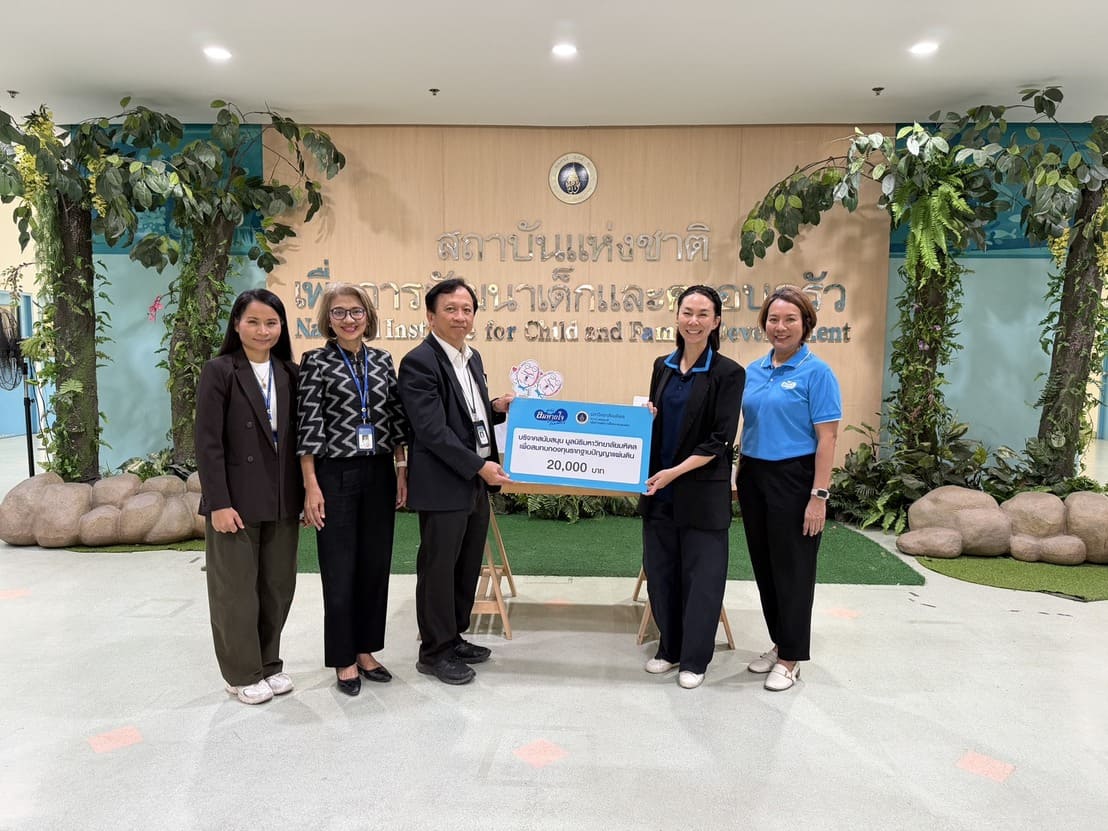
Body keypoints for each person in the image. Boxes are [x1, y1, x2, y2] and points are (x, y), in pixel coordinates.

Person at [397, 278, 513, 685]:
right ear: (431, 316)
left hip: (473, 480)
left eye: (467, 309)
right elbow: (432, 430)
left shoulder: (472, 357)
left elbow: (468, 414)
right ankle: (433, 652)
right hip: (444, 481)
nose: (460, 316)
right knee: (438, 568)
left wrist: (496, 407)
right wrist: (478, 466)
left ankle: (454, 637)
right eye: (450, 309)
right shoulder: (419, 362)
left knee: (465, 565)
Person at [297, 283, 409, 696]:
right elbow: (308, 425)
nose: (349, 319)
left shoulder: (382, 360)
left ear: (368, 316)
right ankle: (343, 658)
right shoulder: (315, 362)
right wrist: (311, 485)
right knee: (339, 568)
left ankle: (366, 650)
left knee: (374, 566)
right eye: (340, 312)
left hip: (379, 471)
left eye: (356, 312)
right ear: (328, 319)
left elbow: (395, 419)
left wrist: (401, 469)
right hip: (334, 474)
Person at [196, 288, 302, 705]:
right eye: (253, 321)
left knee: (277, 587)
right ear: (237, 324)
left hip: (282, 499)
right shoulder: (220, 371)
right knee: (235, 591)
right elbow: (208, 443)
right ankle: (241, 673)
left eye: (271, 322)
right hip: (235, 502)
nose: (263, 330)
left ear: (282, 327)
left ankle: (268, 664)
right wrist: (218, 503)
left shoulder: (289, 372)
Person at [639, 286, 745, 690]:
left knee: (702, 579)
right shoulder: (662, 367)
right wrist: (646, 419)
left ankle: (696, 659)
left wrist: (674, 472)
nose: (694, 321)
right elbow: (659, 423)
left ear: (716, 321)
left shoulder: (729, 373)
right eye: (687, 312)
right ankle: (669, 648)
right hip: (659, 491)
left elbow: (720, 440)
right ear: (677, 316)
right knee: (661, 572)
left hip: (701, 492)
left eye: (703, 314)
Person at [737, 285, 841, 692]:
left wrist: (818, 496)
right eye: (773, 319)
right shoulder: (753, 371)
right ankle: (780, 642)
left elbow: (828, 439)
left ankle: (791, 658)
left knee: (794, 570)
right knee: (765, 566)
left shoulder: (818, 373)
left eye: (790, 320)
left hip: (795, 479)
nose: (780, 327)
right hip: (754, 476)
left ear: (805, 324)